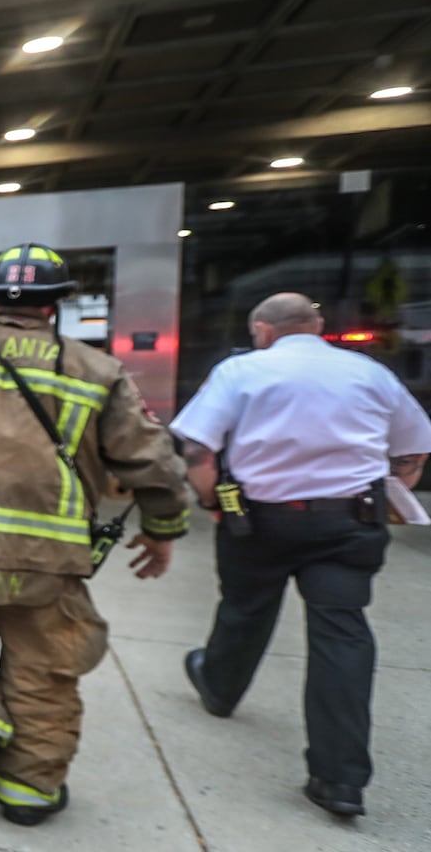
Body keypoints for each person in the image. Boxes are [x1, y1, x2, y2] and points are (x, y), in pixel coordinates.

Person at [0, 241, 191, 826]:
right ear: (57, 305)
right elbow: (152, 461)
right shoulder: (98, 371)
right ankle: (27, 794)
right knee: (44, 667)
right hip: (48, 558)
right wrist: (164, 526)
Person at [170, 292, 431, 819]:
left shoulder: (241, 370)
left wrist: (210, 503)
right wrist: (390, 492)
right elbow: (412, 449)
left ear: (263, 330)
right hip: (349, 521)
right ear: (316, 325)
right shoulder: (371, 373)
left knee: (244, 607)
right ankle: (340, 780)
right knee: (343, 634)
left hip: (262, 519)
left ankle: (219, 687)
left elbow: (197, 449)